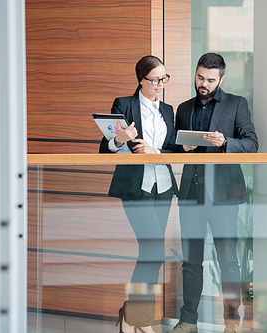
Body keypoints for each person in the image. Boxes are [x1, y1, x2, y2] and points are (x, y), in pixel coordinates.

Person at [168, 53, 258, 333]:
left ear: (221, 78)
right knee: (190, 262)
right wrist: (181, 148)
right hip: (191, 194)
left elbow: (252, 143)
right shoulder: (183, 108)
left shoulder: (236, 104)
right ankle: (188, 321)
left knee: (228, 260)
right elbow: (172, 145)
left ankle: (231, 322)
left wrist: (225, 143)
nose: (203, 84)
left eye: (209, 79)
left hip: (223, 195)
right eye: (199, 78)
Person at [99, 55, 178, 333]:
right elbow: (105, 148)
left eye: (164, 79)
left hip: (164, 187)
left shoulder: (168, 110)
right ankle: (133, 319)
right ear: (141, 81)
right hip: (136, 188)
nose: (160, 85)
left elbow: (173, 149)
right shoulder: (125, 105)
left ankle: (136, 318)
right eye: (155, 80)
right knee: (154, 251)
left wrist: (157, 151)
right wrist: (119, 140)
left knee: (150, 253)